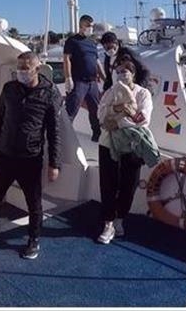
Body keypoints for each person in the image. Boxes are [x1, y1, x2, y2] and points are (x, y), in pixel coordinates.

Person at [0, 52, 62, 261]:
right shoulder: (9, 89)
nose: (20, 72)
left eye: (25, 68)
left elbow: (54, 131)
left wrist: (54, 163)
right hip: (5, 155)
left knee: (34, 203)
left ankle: (33, 240)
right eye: (18, 68)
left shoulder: (50, 93)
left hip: (30, 158)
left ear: (37, 69)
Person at [95, 61, 157, 244]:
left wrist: (116, 121)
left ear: (133, 74)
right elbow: (100, 114)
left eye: (125, 71)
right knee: (108, 184)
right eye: (119, 71)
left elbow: (142, 120)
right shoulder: (110, 92)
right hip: (107, 144)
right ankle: (108, 223)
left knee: (129, 184)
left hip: (132, 145)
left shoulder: (143, 94)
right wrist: (119, 109)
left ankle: (120, 219)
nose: (122, 74)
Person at [63, 14, 103, 142]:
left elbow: (97, 62)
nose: (91, 28)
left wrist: (105, 78)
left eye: (92, 26)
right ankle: (63, 136)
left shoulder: (92, 43)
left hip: (92, 82)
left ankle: (97, 136)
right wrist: (68, 78)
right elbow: (66, 59)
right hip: (79, 81)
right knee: (71, 109)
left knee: (96, 110)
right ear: (81, 25)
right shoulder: (72, 41)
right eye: (89, 25)